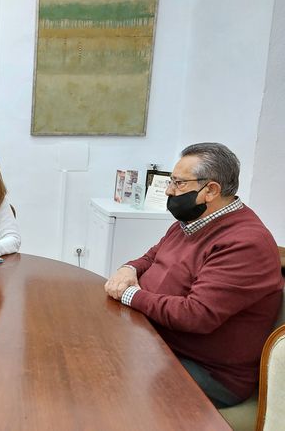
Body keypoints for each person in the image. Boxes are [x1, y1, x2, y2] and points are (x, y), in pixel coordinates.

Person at [104, 142, 283, 408]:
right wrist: (128, 269)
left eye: (178, 183)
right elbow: (152, 256)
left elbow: (195, 315)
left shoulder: (245, 243)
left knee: (103, 380)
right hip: (157, 339)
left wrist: (130, 294)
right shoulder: (193, 222)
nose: (168, 190)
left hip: (207, 372)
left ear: (211, 190)